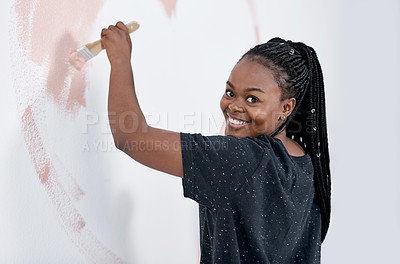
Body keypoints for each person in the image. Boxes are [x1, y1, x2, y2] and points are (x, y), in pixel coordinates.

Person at [101, 21, 331, 264]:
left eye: (252, 99)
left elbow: (132, 138)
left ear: (287, 107)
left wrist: (120, 60)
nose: (234, 106)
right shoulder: (303, 161)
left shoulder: (239, 160)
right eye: (230, 93)